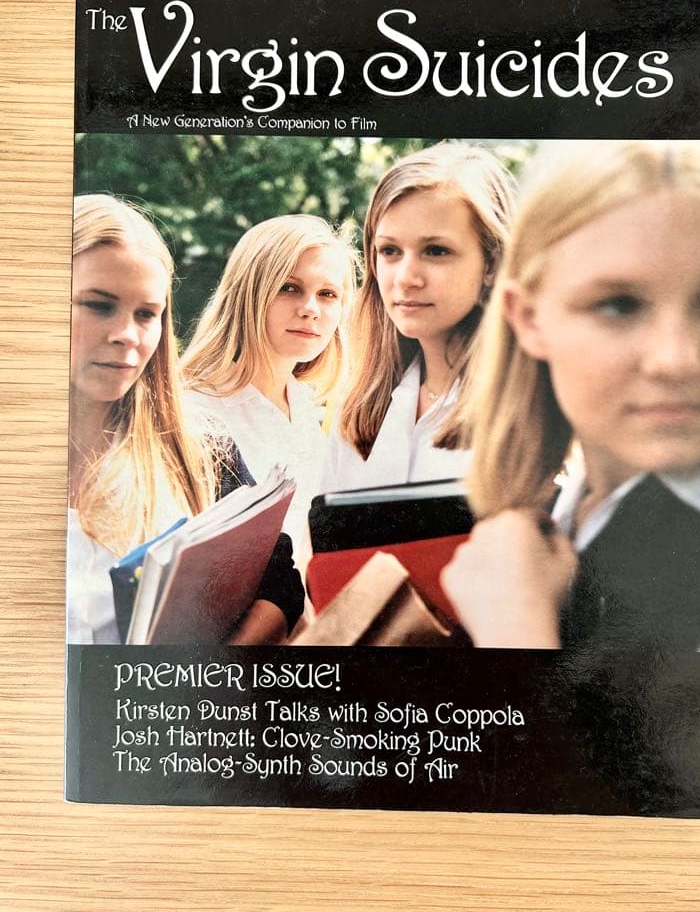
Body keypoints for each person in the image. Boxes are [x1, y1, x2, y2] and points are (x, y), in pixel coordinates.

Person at [440, 141, 700, 815]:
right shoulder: (551, 512)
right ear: (528, 317)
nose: (677, 359)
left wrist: (515, 639)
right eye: (619, 305)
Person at [67, 194, 302, 645]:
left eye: (146, 314)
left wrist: (208, 671)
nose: (127, 335)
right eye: (98, 305)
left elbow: (280, 583)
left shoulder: (201, 447)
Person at [324, 141, 516, 491]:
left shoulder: (523, 409)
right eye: (390, 250)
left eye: (436, 251)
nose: (405, 278)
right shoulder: (359, 408)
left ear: (491, 263)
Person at [181, 215, 356, 564]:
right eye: (289, 288)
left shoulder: (304, 408)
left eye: (327, 294)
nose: (310, 309)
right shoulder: (197, 412)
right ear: (249, 294)